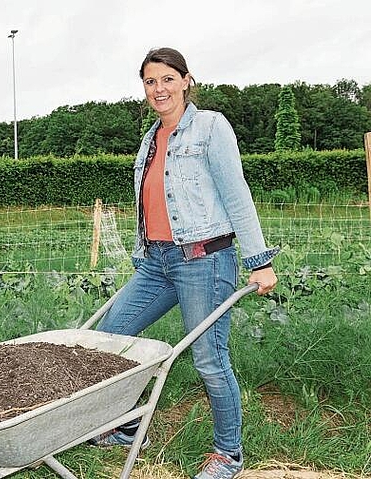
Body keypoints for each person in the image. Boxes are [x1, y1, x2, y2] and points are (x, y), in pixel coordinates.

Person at [88, 47, 278, 479]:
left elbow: (237, 195)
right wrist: (144, 254)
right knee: (109, 338)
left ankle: (228, 454)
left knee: (209, 359)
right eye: (150, 81)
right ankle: (126, 424)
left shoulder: (210, 127)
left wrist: (259, 259)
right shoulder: (150, 137)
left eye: (168, 79)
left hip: (203, 262)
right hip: (157, 263)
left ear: (186, 80)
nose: (159, 89)